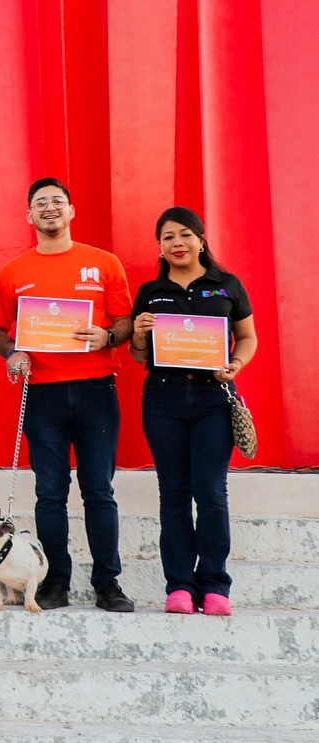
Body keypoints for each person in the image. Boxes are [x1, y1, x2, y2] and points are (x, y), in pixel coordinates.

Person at [0, 178, 136, 613]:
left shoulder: (103, 264)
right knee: (50, 492)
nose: (49, 208)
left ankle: (108, 583)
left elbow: (125, 323)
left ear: (71, 211)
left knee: (99, 490)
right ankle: (54, 582)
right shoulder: (12, 273)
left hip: (95, 389)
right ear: (29, 215)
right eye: (40, 203)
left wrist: (108, 336)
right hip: (42, 392)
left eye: (57, 201)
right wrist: (12, 352)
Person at [130, 207, 256, 616]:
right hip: (163, 399)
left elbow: (247, 337)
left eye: (185, 234)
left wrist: (235, 364)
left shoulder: (227, 285)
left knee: (212, 493)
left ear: (201, 239)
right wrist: (138, 334)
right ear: (160, 247)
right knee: (174, 494)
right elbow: (138, 356)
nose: (177, 243)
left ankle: (215, 584)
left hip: (213, 399)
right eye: (168, 237)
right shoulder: (151, 291)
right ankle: (180, 586)